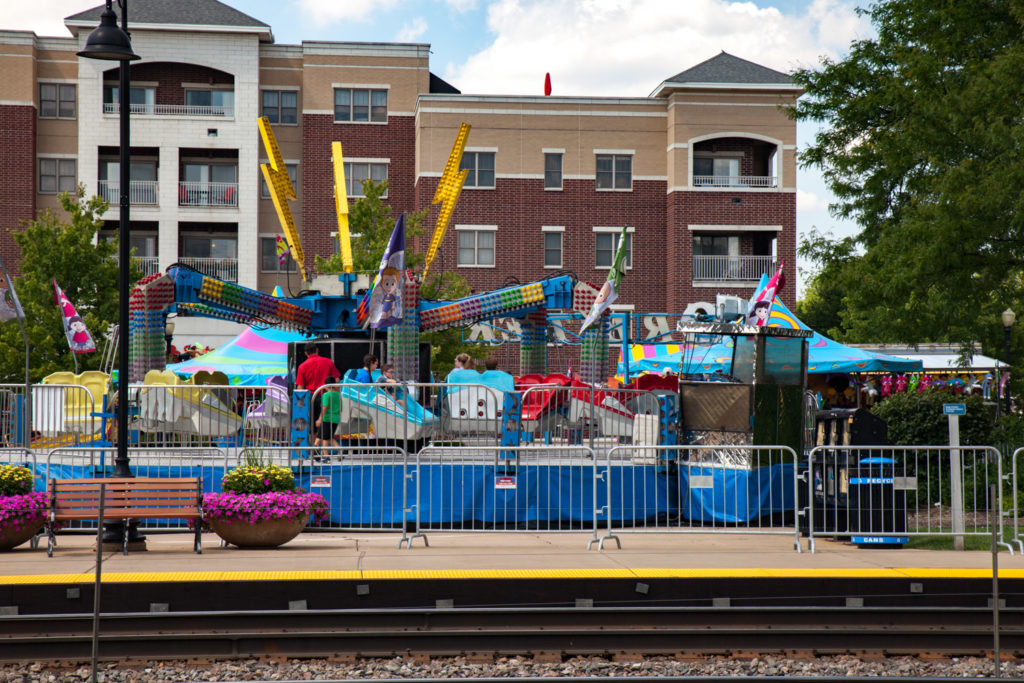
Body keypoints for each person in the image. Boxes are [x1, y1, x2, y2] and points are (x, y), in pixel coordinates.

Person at [296, 342, 340, 428]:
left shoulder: (302, 366)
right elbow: (336, 380)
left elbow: (300, 387)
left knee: (313, 426)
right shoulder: (328, 362)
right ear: (317, 350)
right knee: (327, 425)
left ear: (305, 353)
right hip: (327, 396)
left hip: (311, 398)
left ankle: (314, 440)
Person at [315, 376, 341, 450]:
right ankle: (339, 450)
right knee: (325, 436)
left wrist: (320, 419)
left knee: (325, 438)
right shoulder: (338, 395)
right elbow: (340, 408)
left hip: (326, 419)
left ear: (326, 385)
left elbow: (324, 407)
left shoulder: (326, 395)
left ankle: (325, 456)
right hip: (335, 419)